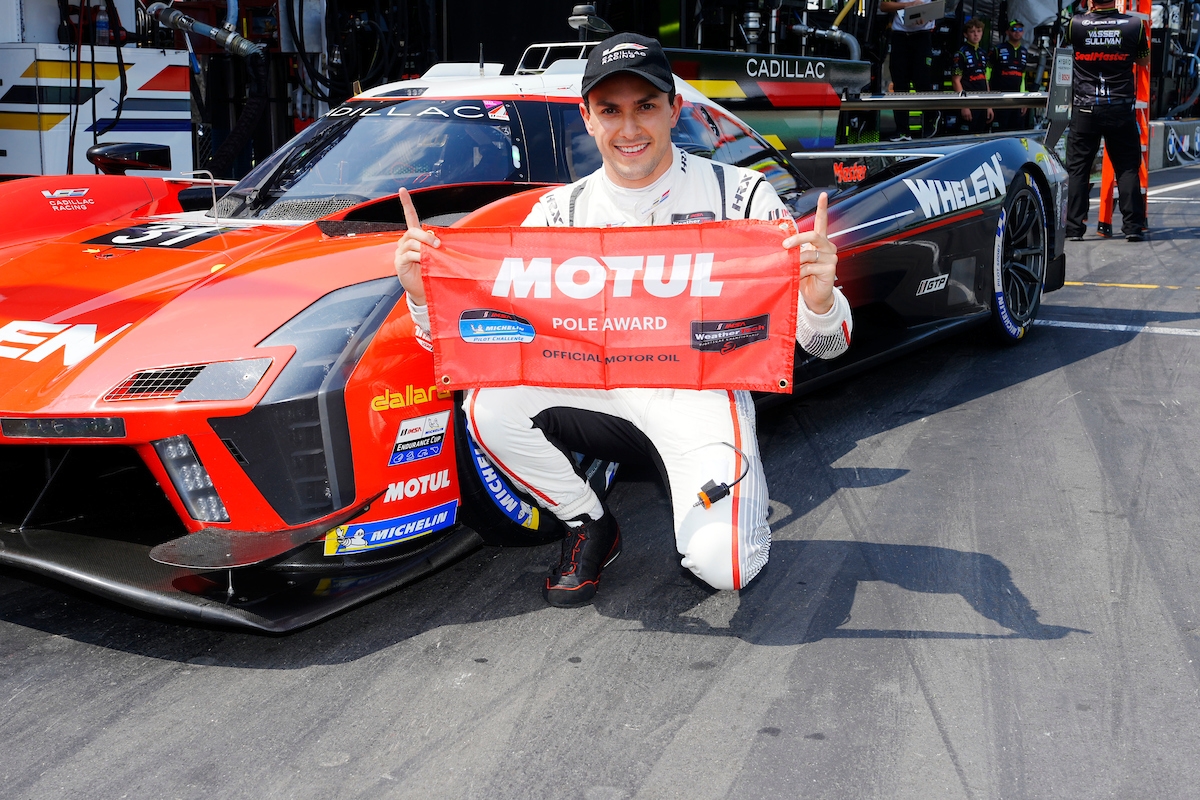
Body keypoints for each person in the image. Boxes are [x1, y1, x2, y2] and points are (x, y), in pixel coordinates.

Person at [393, 33, 852, 607]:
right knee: (487, 405)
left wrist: (817, 298)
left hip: (699, 397)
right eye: (610, 110)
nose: (629, 128)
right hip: (594, 390)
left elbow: (829, 346)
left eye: (646, 106)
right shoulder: (558, 212)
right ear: (587, 118)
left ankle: (724, 512)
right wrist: (423, 294)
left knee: (725, 567)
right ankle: (588, 522)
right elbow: (479, 345)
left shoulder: (741, 197)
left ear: (674, 110)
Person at [1064, 0, 1149, 241]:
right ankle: (1133, 227)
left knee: (1078, 169)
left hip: (1085, 106)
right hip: (1119, 107)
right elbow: (1144, 61)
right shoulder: (1134, 24)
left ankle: (1074, 229)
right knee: (1127, 167)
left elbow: (1064, 53)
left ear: (1091, 1)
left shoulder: (1075, 23)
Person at [880, 0, 936, 141]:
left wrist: (928, 15)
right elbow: (884, 5)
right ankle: (902, 130)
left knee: (922, 81)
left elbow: (942, 7)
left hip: (922, 35)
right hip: (900, 35)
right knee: (899, 83)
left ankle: (930, 120)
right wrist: (908, 5)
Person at [952, 18, 992, 134]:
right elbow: (956, 81)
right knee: (966, 138)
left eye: (979, 31)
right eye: (972, 31)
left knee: (981, 137)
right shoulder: (961, 53)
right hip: (969, 102)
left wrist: (989, 105)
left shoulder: (983, 53)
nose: (976, 34)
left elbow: (985, 79)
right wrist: (964, 106)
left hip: (982, 102)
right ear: (966, 34)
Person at [989, 20, 1029, 131]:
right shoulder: (998, 49)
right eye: (1014, 29)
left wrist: (1024, 100)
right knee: (999, 132)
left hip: (1016, 100)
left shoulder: (1024, 52)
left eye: (1020, 29)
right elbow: (987, 74)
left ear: (1023, 32)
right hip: (999, 99)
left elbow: (1023, 77)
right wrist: (988, 97)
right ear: (1007, 32)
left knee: (1016, 132)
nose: (1017, 32)